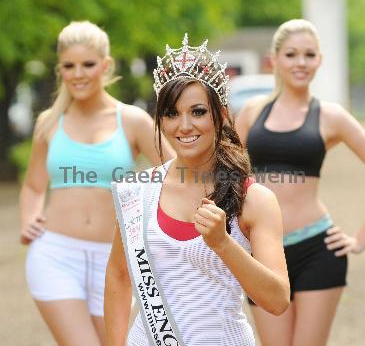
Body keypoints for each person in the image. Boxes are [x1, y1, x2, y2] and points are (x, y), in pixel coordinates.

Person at [104, 33, 290, 346]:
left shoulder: (253, 199)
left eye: (198, 111)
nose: (184, 126)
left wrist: (223, 243)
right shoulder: (138, 191)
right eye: (172, 113)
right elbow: (118, 276)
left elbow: (277, 300)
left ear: (220, 115)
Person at [20, 21, 174, 346]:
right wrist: (29, 217)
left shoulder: (132, 120)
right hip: (55, 255)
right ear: (60, 69)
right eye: (69, 65)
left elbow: (175, 173)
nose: (78, 73)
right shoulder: (48, 123)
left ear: (105, 66)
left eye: (88, 64)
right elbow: (34, 186)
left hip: (114, 260)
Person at [235, 19, 365, 346]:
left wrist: (359, 239)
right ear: (274, 58)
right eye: (292, 54)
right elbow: (227, 176)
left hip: (318, 249)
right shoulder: (251, 112)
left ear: (320, 60)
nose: (301, 63)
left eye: (309, 55)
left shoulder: (330, 116)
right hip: (263, 253)